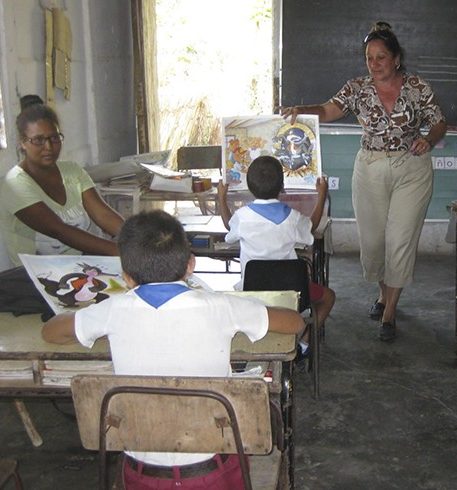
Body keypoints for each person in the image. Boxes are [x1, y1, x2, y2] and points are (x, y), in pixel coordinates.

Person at [41, 210, 304, 489]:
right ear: (190, 265)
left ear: (126, 277)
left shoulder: (111, 311)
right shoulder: (222, 306)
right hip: (216, 473)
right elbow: (294, 322)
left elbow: (51, 332)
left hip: (141, 475)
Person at [280, 21, 447, 342]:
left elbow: (438, 121)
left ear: (396, 58)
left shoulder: (417, 86)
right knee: (373, 243)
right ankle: (383, 293)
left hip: (411, 168)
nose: (374, 64)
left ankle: (389, 311)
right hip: (369, 168)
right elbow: (329, 110)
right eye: (369, 58)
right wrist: (302, 110)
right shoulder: (357, 88)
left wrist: (429, 138)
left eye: (381, 57)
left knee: (400, 240)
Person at [217, 156, 335, 357]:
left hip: (252, 294)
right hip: (292, 296)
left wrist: (221, 197)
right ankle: (304, 342)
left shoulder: (243, 217)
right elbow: (312, 228)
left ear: (249, 185)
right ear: (282, 185)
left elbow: (229, 226)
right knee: (328, 297)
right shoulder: (292, 217)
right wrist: (321, 194)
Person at [0, 96, 123, 267]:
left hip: (82, 268)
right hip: (36, 279)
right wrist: (121, 252)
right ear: (22, 143)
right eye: (38, 140)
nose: (49, 147)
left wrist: (139, 239)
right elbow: (59, 230)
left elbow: (103, 215)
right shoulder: (13, 184)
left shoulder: (71, 171)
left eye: (54, 138)